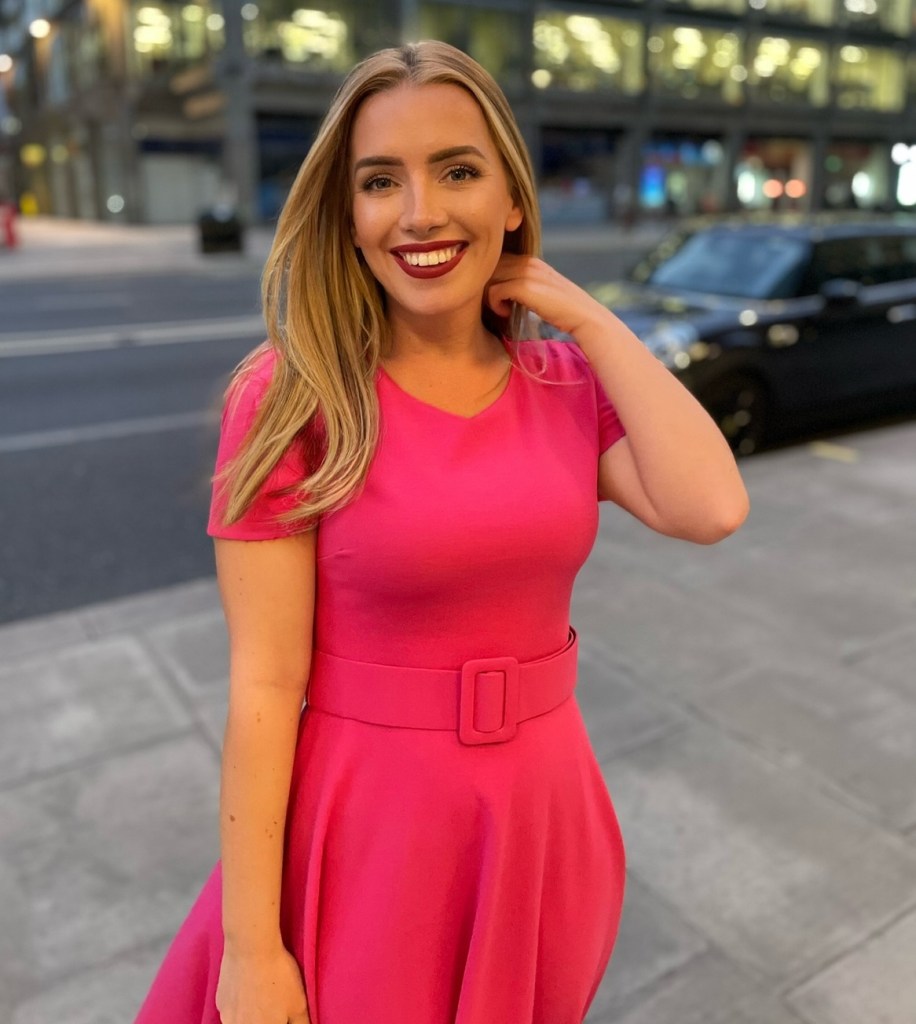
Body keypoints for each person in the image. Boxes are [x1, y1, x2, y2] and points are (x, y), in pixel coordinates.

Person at [135, 40, 749, 1024]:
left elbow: (710, 506)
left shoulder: (563, 385)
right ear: (348, 214)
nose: (419, 213)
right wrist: (251, 948)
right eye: (380, 181)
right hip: (369, 829)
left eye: (457, 171)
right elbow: (263, 685)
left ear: (510, 198)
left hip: (541, 819)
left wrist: (588, 319)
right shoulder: (293, 397)